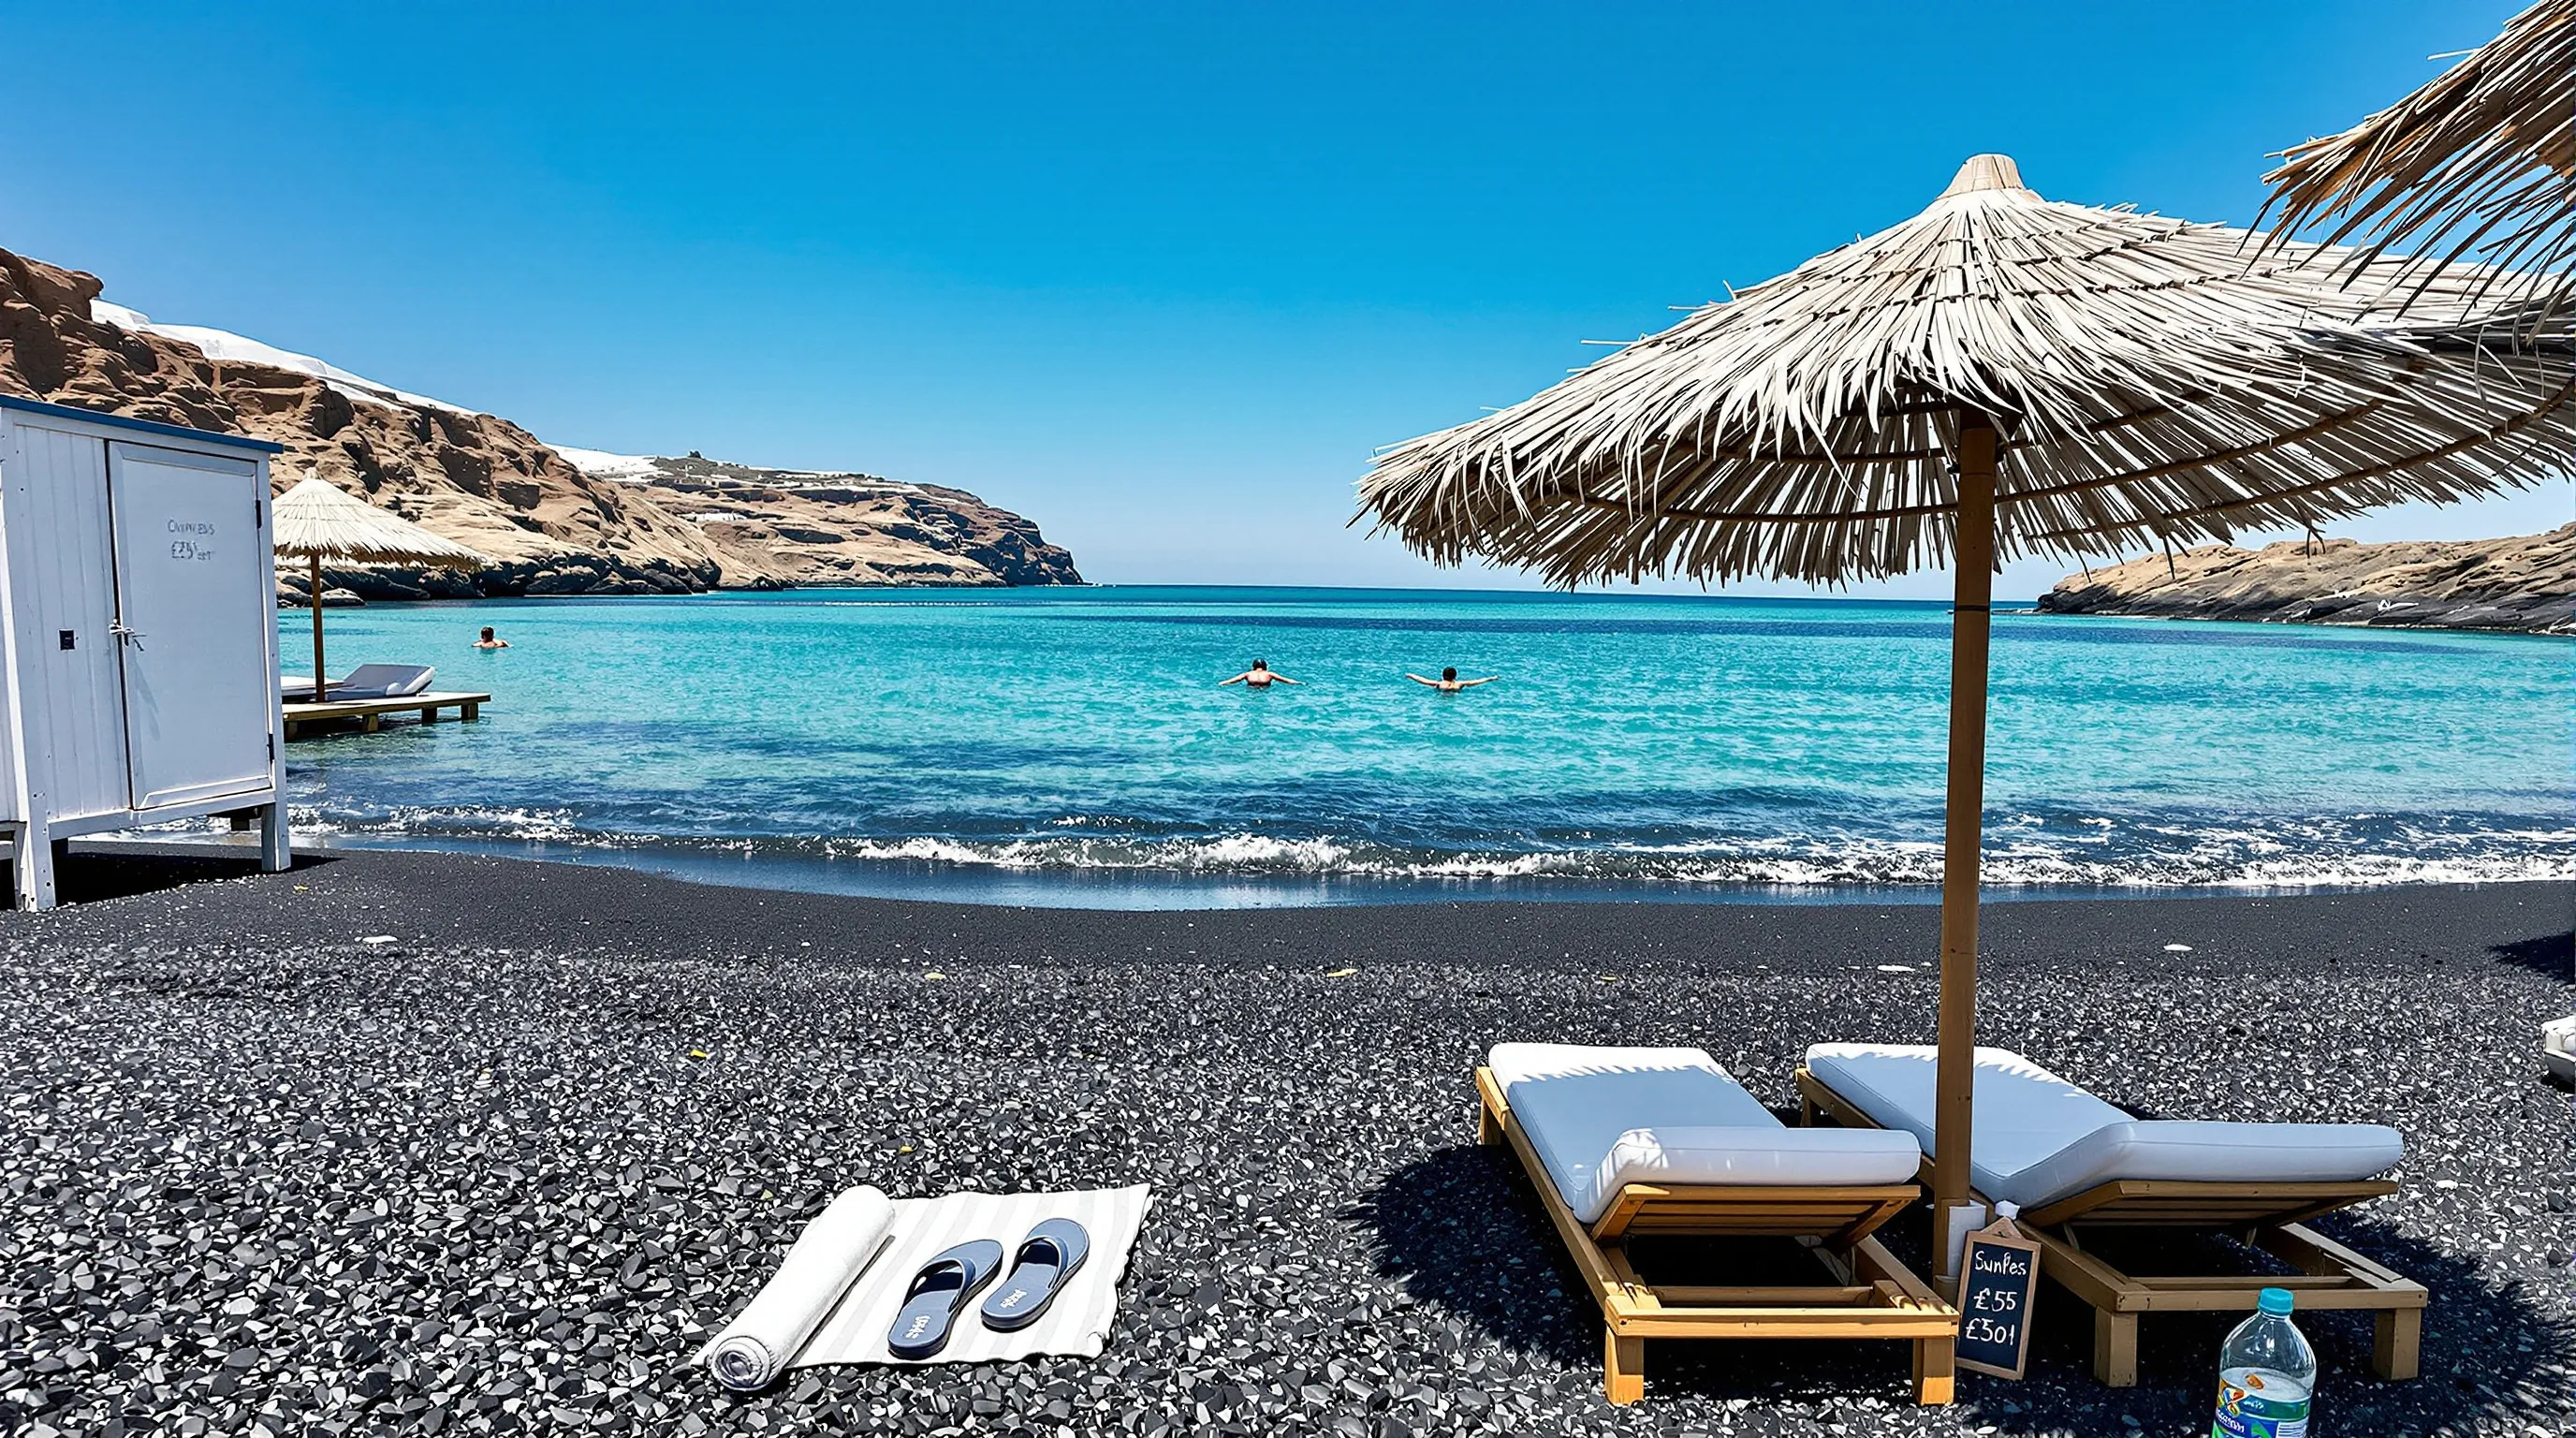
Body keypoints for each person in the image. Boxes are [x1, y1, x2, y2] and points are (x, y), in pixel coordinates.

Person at [1406, 666, 1498, 693]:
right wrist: (1491, 678)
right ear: (1455, 676)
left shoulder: (1439, 684)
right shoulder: (1460, 684)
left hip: (1443, 692)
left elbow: (1423, 680)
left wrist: (1411, 675)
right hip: (1456, 693)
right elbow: (1476, 682)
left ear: (1443, 675)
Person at [1219, 658, 1299, 688]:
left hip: (1251, 690)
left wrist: (1222, 683)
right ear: (1265, 666)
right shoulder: (1269, 674)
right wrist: (1299, 683)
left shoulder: (1248, 674)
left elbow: (1233, 680)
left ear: (1253, 666)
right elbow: (1286, 680)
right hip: (1265, 689)